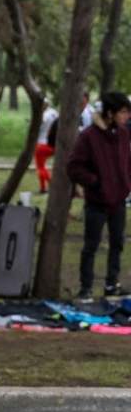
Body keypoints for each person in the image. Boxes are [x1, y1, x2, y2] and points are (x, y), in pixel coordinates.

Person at [68, 91, 131, 302]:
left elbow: (126, 162)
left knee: (117, 243)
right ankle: (85, 288)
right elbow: (74, 167)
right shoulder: (88, 136)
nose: (127, 116)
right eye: (123, 112)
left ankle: (111, 284)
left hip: (119, 200)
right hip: (96, 202)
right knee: (91, 246)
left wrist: (126, 183)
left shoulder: (123, 134)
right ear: (110, 113)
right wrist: (95, 182)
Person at [34, 98, 59, 194]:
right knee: (42, 166)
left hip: (42, 143)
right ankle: (43, 187)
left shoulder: (43, 115)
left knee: (40, 167)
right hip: (53, 144)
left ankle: (52, 185)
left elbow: (39, 124)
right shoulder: (54, 112)